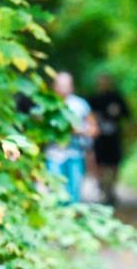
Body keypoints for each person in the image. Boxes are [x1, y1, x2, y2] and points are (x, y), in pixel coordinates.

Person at [46, 71, 98, 204]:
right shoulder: (46, 103)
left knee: (74, 190)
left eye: (66, 86)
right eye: (60, 85)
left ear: (72, 87)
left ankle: (72, 218)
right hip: (53, 154)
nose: (63, 89)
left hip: (76, 153)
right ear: (54, 86)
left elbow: (94, 129)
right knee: (56, 189)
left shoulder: (80, 105)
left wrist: (79, 130)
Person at [88, 73, 131, 207]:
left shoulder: (116, 97)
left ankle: (111, 188)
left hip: (114, 137)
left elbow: (128, 114)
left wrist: (118, 113)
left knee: (114, 163)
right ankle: (102, 186)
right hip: (99, 137)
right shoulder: (93, 99)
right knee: (100, 162)